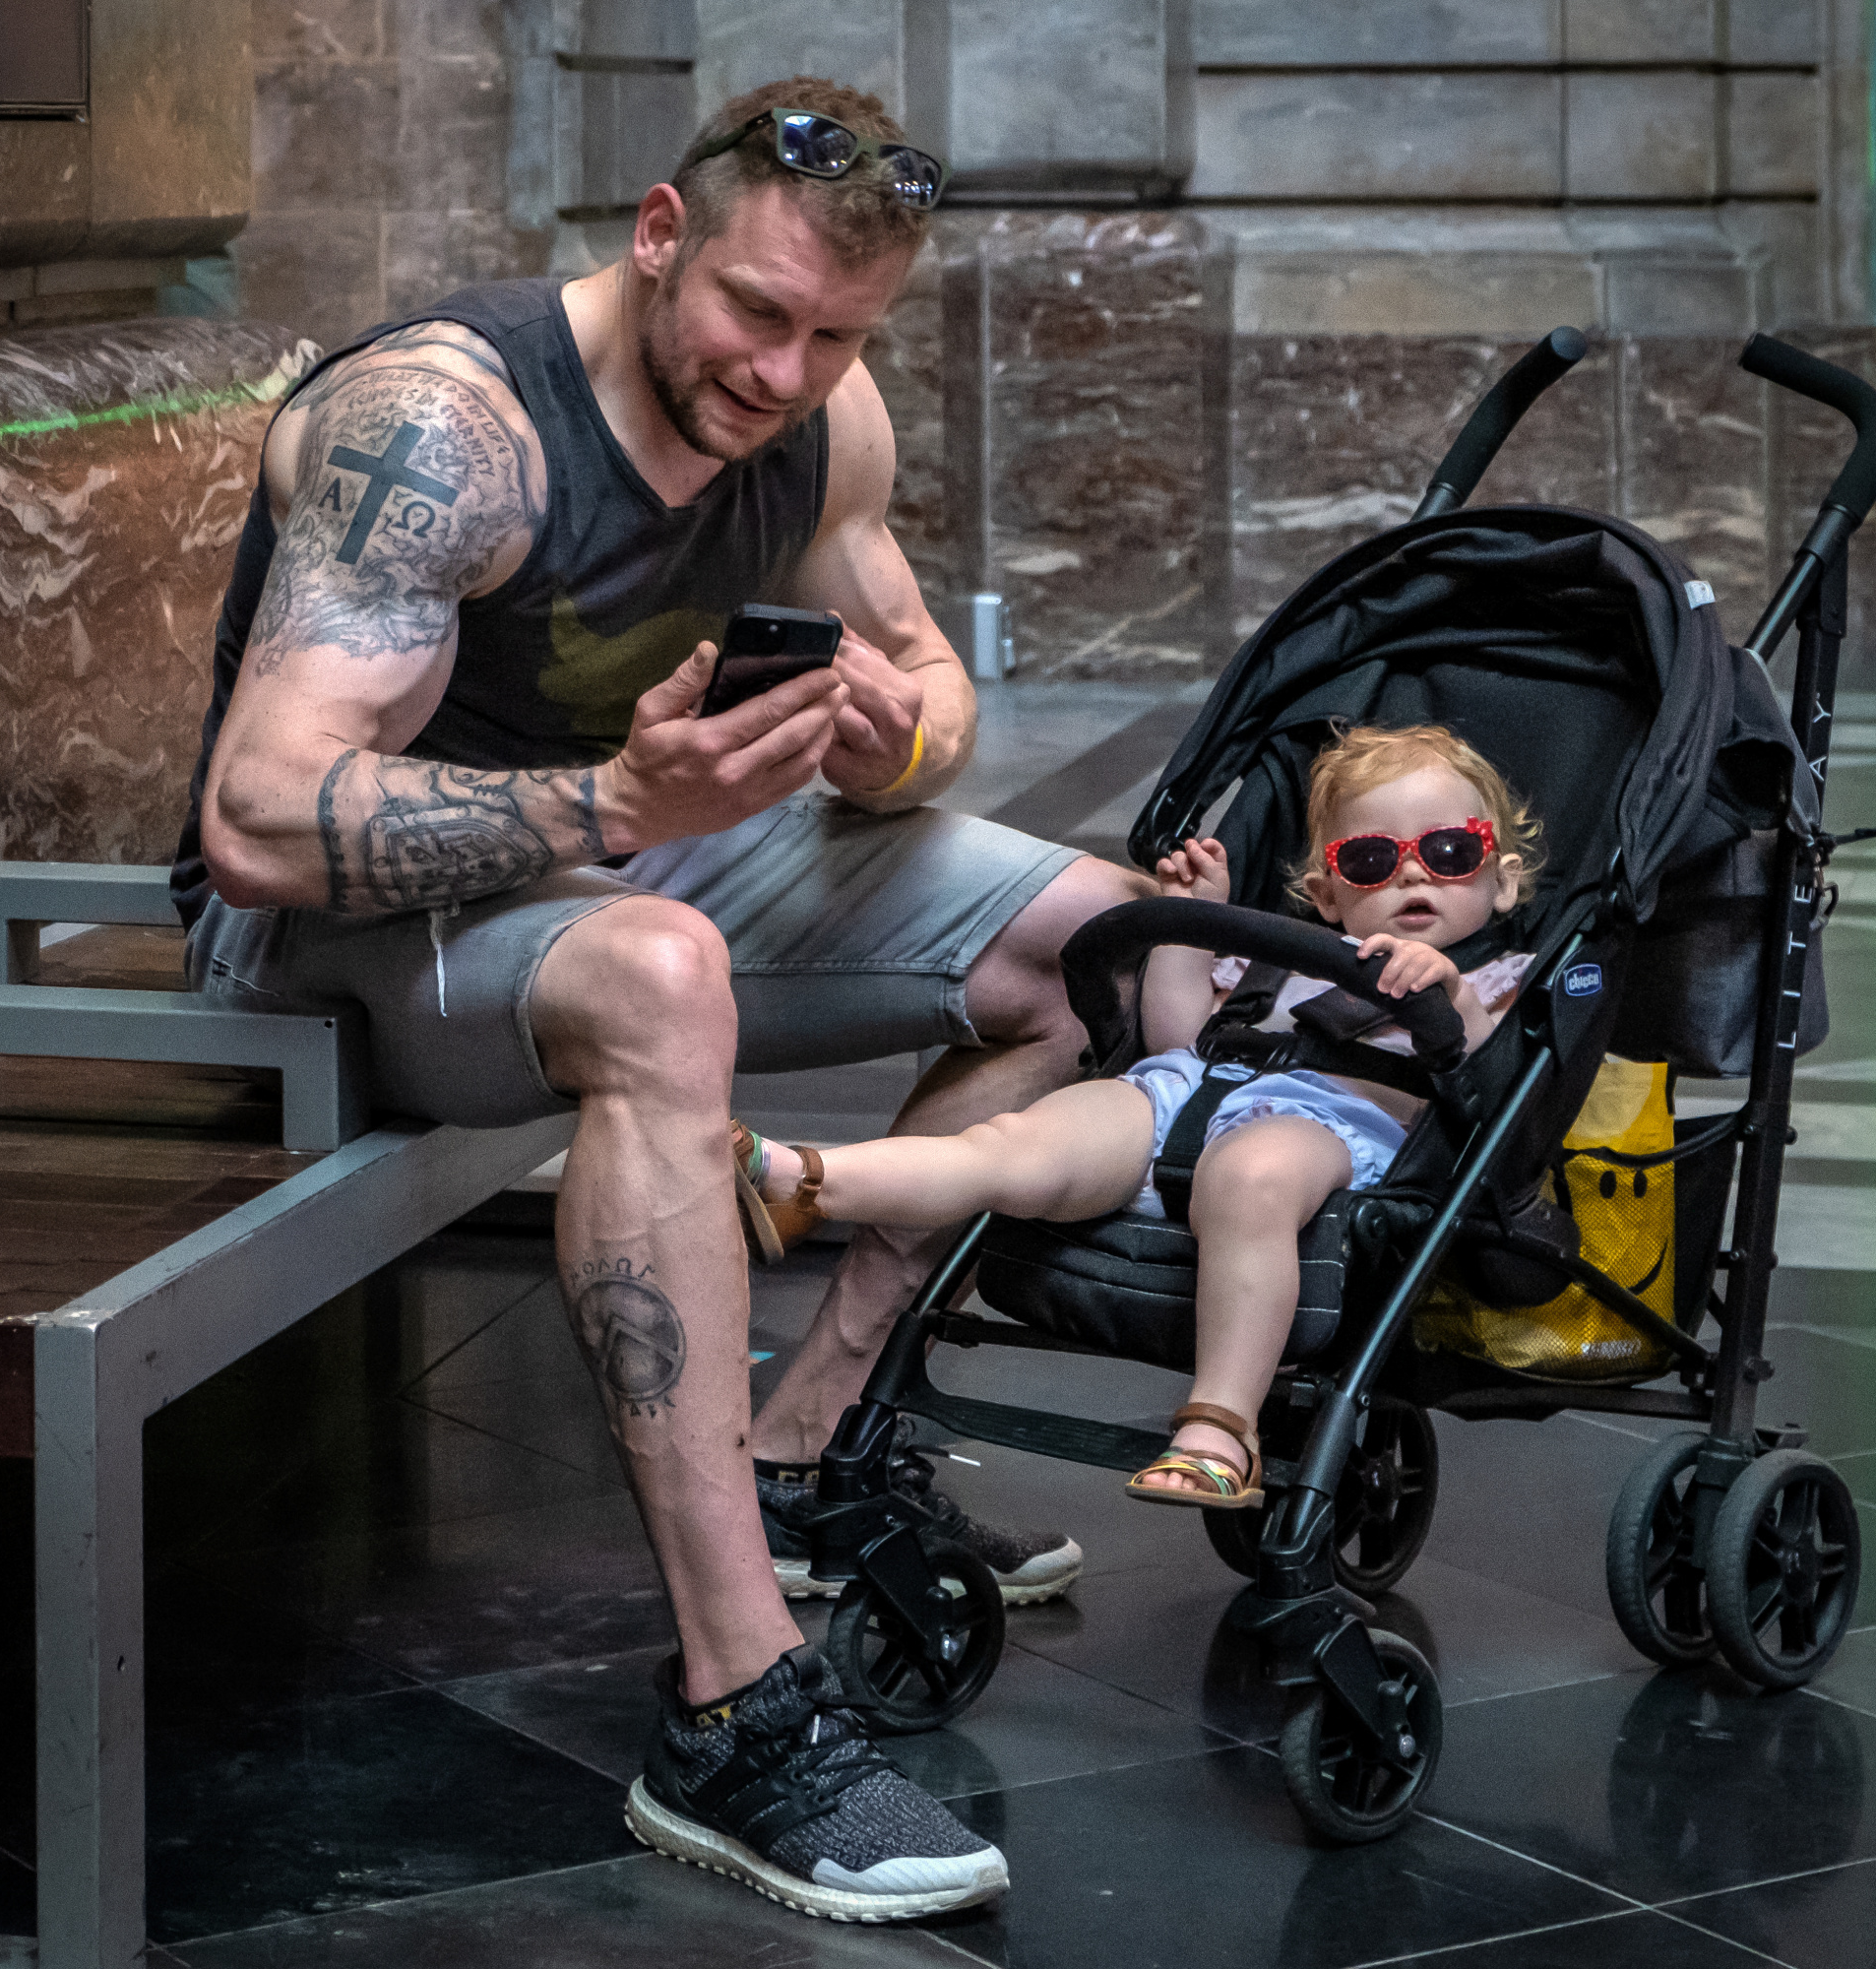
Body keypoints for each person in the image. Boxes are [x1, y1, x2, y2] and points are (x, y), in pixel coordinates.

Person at [175, 75, 1148, 1922]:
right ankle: (732, 1704)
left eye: (837, 335)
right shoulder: (447, 427)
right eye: (756, 313)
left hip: (626, 855)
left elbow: (932, 689)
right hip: (336, 924)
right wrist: (619, 804)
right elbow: (257, 822)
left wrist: (892, 739)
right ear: (656, 234)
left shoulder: (821, 420)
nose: (784, 372)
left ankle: (809, 1443)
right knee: (661, 971)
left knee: (1097, 940)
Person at [735, 724, 1541, 1503]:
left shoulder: (1498, 984)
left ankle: (1221, 1427)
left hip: (1326, 1127)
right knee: (1012, 1143)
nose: (1412, 876)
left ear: (1501, 880)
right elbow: (1177, 1036)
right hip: (1182, 1095)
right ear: (1327, 895)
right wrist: (1189, 930)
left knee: (1249, 1177)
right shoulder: (1271, 964)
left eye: (1450, 852)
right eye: (1370, 860)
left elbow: (1490, 1080)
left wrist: (1448, 996)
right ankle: (803, 1179)